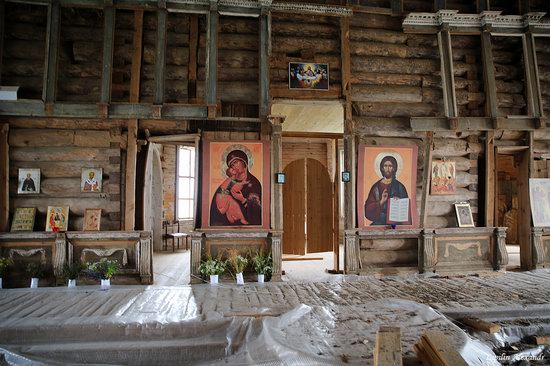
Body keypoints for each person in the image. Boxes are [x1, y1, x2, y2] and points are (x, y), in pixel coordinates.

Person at [210, 149, 262, 226]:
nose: (234, 166)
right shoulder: (229, 183)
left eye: (235, 162)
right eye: (231, 165)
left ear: (244, 162)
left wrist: (242, 199)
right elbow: (216, 207)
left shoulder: (254, 183)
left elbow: (257, 211)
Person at [364, 155, 409, 225]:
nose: (387, 168)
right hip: (379, 222)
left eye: (390, 166)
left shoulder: (400, 186)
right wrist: (381, 202)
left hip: (395, 223)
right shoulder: (376, 187)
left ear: (394, 168)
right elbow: (368, 209)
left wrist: (399, 202)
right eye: (385, 166)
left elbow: (406, 208)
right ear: (382, 168)